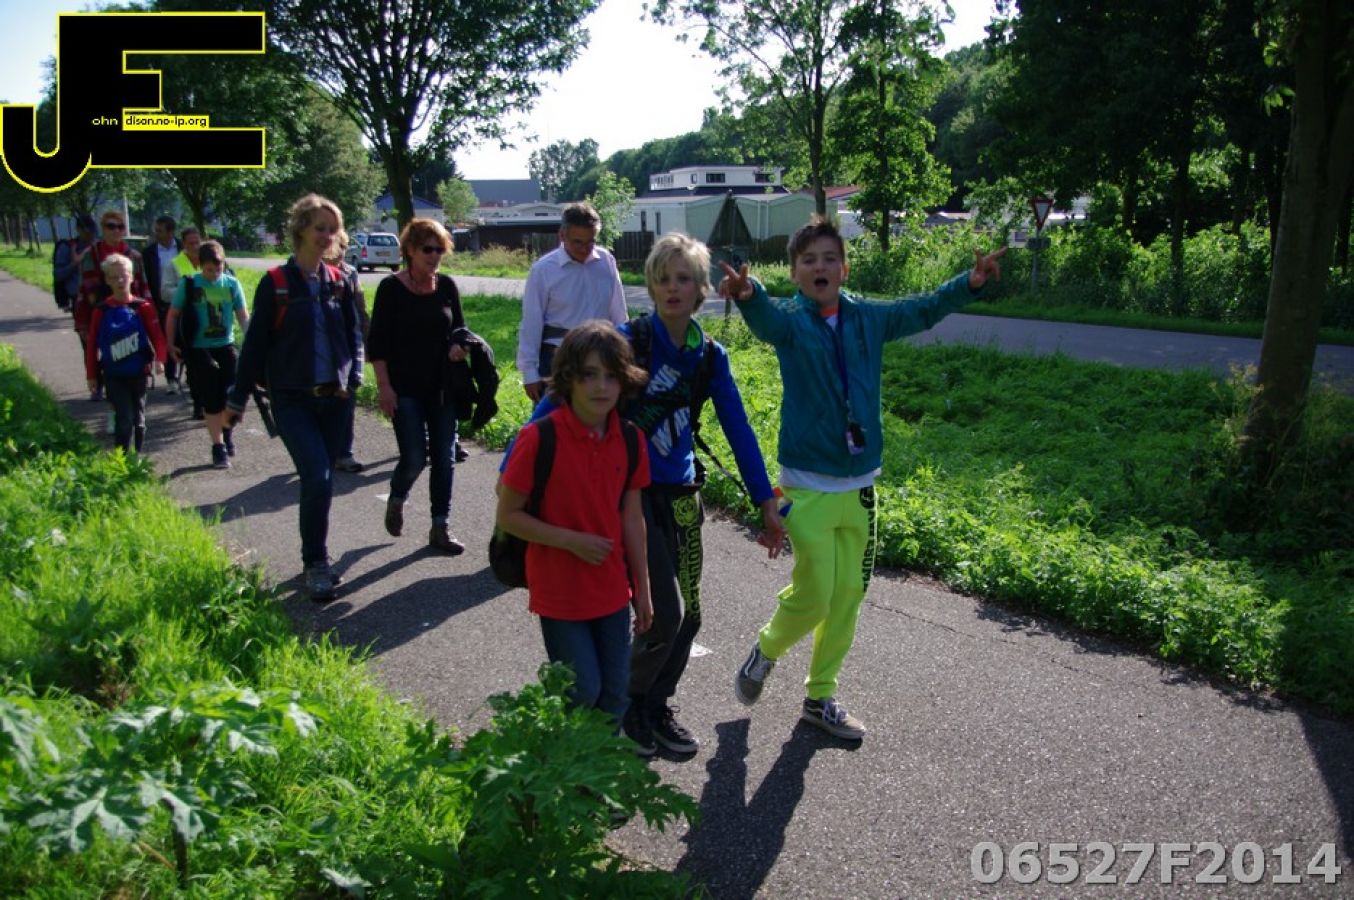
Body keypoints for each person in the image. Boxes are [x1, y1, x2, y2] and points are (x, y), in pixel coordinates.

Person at [721, 216, 1006, 741]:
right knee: (817, 593)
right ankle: (766, 650)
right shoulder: (791, 321)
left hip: (860, 487)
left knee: (848, 594)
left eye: (830, 258)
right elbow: (766, 320)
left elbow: (920, 309)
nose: (820, 267)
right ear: (795, 273)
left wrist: (967, 284)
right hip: (806, 485)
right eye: (809, 260)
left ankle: (820, 696)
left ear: (845, 269)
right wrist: (748, 294)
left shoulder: (869, 318)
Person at [508, 233, 787, 755]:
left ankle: (655, 705)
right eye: (662, 278)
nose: (672, 288)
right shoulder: (625, 341)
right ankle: (629, 707)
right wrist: (514, 466)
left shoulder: (709, 356)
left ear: (702, 289)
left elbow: (738, 428)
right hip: (627, 498)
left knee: (690, 615)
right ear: (651, 286)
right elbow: (558, 397)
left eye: (684, 278)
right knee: (663, 614)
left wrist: (764, 500)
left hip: (681, 495)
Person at [496, 320, 653, 722]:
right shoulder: (539, 438)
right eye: (588, 375)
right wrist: (570, 540)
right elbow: (508, 515)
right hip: (560, 591)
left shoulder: (630, 440)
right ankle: (559, 754)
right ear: (568, 378)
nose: (601, 386)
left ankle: (600, 762)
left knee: (615, 695)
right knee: (582, 691)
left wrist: (643, 589)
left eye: (611, 376)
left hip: (611, 588)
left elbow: (632, 520)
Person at [224, 194, 363, 603]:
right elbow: (254, 345)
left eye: (332, 229)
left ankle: (316, 555)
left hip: (334, 398)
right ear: (301, 228)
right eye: (319, 228)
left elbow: (354, 335)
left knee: (324, 480)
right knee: (317, 476)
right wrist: (237, 399)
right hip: (291, 400)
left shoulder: (339, 281)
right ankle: (315, 563)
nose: (327, 236)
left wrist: (354, 378)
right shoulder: (277, 283)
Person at [367, 218, 468, 554]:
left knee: (444, 459)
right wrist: (384, 387)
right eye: (428, 249)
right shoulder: (391, 288)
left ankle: (440, 527)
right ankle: (397, 497)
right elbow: (378, 344)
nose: (435, 255)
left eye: (440, 249)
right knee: (414, 457)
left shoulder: (447, 286)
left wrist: (459, 347)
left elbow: (460, 331)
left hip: (442, 387)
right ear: (410, 250)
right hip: (404, 388)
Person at [516, 202, 627, 403]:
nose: (584, 249)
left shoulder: (606, 262)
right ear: (562, 236)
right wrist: (529, 372)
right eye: (578, 242)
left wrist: (624, 353)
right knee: (555, 418)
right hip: (558, 357)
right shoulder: (544, 270)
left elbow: (618, 313)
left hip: (600, 353)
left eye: (590, 242)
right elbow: (532, 322)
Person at [166, 240, 249, 469]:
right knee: (211, 400)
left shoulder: (231, 284)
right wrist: (170, 344)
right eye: (209, 269)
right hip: (200, 350)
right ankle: (218, 447)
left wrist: (252, 343)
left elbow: (242, 316)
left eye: (218, 269)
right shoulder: (190, 284)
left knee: (230, 397)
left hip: (226, 347)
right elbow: (173, 314)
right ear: (200, 265)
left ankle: (227, 432)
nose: (214, 274)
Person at [84, 253, 166, 454]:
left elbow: (157, 336)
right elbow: (92, 344)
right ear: (107, 280)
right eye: (114, 277)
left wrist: (160, 360)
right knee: (124, 419)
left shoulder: (142, 307)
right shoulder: (101, 310)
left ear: (132, 277)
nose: (120, 281)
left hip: (139, 372)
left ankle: (136, 458)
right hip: (113, 375)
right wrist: (92, 375)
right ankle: (121, 460)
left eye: (123, 275)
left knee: (139, 421)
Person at [76, 211, 150, 401]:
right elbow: (87, 288)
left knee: (129, 348)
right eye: (110, 226)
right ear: (103, 228)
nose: (115, 230)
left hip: (130, 311)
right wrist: (100, 312)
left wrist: (147, 313)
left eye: (120, 226)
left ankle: (132, 383)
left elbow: (142, 287)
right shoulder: (91, 254)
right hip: (100, 310)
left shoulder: (134, 256)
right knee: (94, 347)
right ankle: (97, 384)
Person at [327, 230, 368, 474]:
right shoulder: (310, 274)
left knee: (348, 398)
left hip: (349, 346)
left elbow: (360, 309)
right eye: (336, 246)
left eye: (343, 247)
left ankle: (344, 453)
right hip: (323, 349)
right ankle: (323, 450)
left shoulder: (350, 273)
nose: (340, 252)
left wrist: (368, 341)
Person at [142, 214, 183, 393]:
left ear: (171, 231)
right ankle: (171, 378)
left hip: (183, 299)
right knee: (167, 338)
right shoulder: (149, 253)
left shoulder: (182, 248)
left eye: (160, 230)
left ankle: (190, 373)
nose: (156, 234)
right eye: (156, 230)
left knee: (186, 336)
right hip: (161, 302)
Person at [172, 227, 206, 420]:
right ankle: (197, 403)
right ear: (183, 244)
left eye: (197, 242)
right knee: (193, 363)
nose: (194, 246)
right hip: (186, 319)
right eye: (190, 243)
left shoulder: (209, 259)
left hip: (210, 319)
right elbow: (164, 290)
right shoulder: (175, 264)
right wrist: (184, 293)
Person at [54, 213, 95, 318]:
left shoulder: (97, 247)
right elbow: (58, 275)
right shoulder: (67, 247)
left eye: (92, 231)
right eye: (86, 231)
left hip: (98, 295)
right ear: (78, 229)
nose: (89, 234)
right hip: (78, 298)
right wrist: (75, 263)